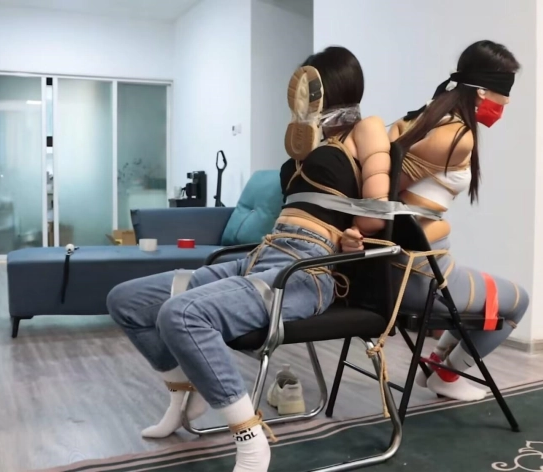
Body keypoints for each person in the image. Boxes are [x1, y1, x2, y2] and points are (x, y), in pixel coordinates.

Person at [106, 45, 390, 472]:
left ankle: (252, 440)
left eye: (308, 85)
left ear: (330, 86)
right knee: (127, 300)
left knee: (180, 315)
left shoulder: (365, 130)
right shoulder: (308, 142)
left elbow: (376, 216)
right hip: (263, 254)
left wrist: (354, 237)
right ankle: (185, 393)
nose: (299, 96)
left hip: (306, 269)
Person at [341, 40, 530, 402]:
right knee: (517, 300)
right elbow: (387, 189)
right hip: (421, 277)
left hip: (406, 269)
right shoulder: (456, 136)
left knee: (486, 295)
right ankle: (447, 374)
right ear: (482, 90)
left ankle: (437, 365)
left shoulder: (422, 116)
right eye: (504, 92)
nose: (505, 103)